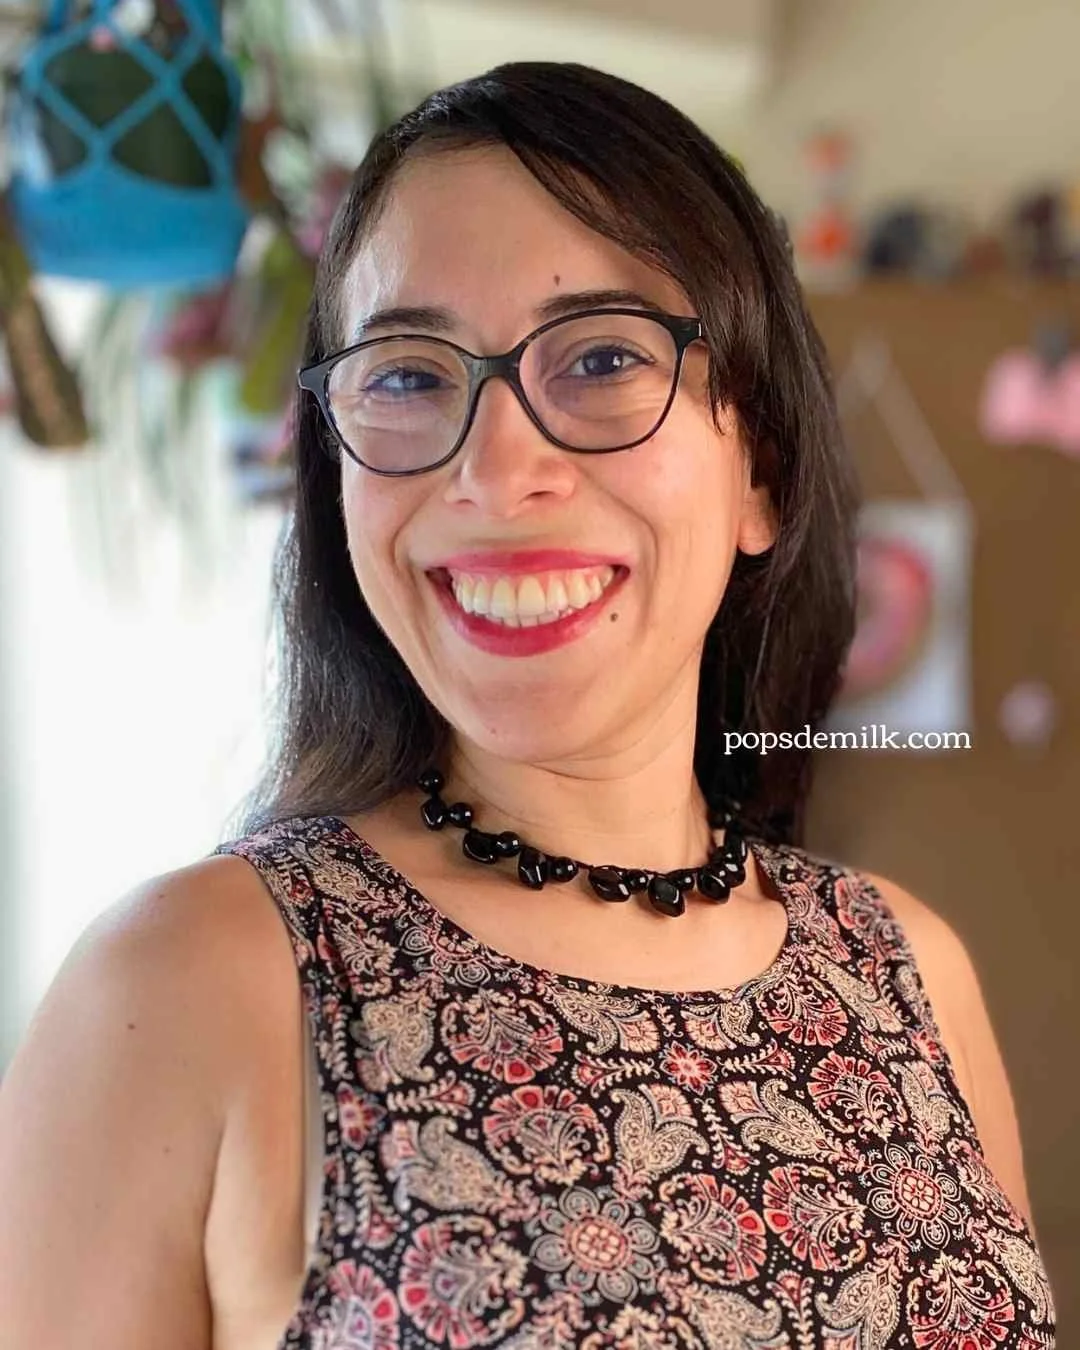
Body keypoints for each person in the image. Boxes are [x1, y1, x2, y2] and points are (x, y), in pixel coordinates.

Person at [0, 61, 1055, 1350]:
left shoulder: (906, 971)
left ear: (761, 473)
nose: (498, 471)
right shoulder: (185, 987)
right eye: (406, 376)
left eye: (603, 358)